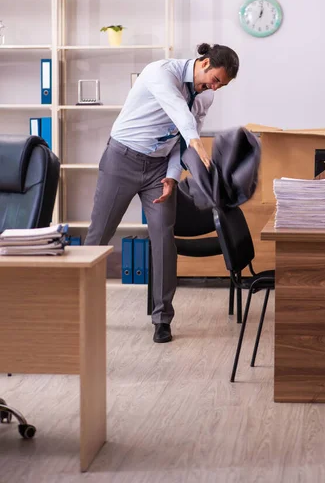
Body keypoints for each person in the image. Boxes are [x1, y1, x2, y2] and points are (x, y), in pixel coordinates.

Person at [84, 42, 240, 343]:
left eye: (222, 85)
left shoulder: (205, 97)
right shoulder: (160, 72)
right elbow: (179, 113)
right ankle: (81, 310)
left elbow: (180, 142)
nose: (216, 88)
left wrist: (172, 176)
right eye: (217, 79)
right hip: (122, 160)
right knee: (98, 237)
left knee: (164, 239)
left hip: (158, 169)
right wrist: (196, 141)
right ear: (205, 63)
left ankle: (162, 319)